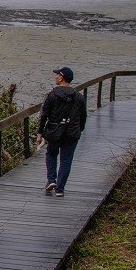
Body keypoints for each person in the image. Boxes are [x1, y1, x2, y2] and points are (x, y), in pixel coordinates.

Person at [36, 66, 87, 197]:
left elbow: (44, 114)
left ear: (62, 77)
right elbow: (83, 116)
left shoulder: (52, 95)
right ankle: (60, 189)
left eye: (57, 74)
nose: (55, 76)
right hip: (72, 133)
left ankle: (52, 180)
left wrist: (40, 131)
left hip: (54, 131)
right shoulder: (79, 97)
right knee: (66, 160)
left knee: (51, 154)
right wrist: (79, 129)